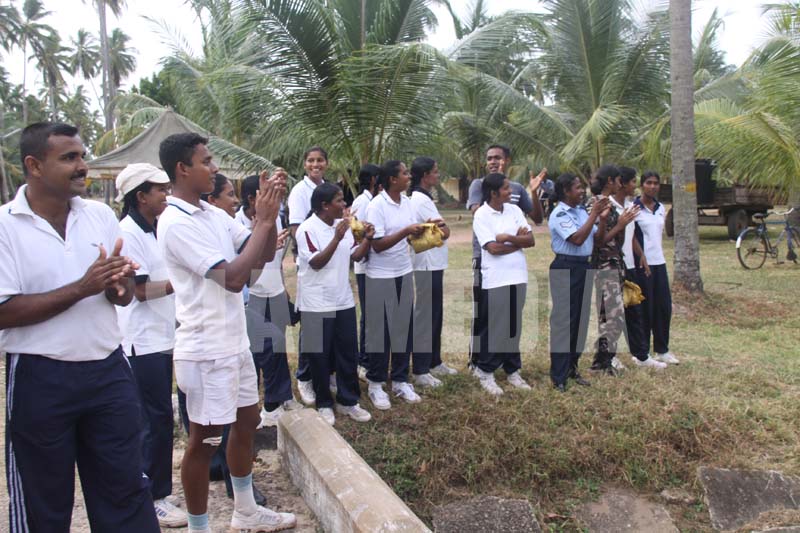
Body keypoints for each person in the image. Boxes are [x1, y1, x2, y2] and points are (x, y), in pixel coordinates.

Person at [1, 122, 159, 532]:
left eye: (82, 155)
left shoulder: (99, 215)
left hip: (107, 370)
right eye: (69, 157)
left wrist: (119, 284)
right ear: (34, 165)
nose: (82, 165)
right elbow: (4, 311)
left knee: (125, 490)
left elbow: (119, 297)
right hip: (41, 376)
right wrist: (82, 287)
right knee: (44, 501)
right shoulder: (5, 226)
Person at [157, 132, 295, 533]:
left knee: (248, 420)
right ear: (183, 169)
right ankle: (201, 528)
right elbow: (234, 278)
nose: (214, 168)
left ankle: (246, 511)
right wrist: (264, 221)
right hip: (204, 349)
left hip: (233, 342)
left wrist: (268, 212)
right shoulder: (175, 223)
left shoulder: (212, 215)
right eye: (206, 161)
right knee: (204, 440)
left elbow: (261, 257)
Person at [115, 163, 187, 527]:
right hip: (141, 342)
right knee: (152, 419)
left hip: (161, 337)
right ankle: (153, 495)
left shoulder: (152, 229)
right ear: (141, 196)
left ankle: (160, 489)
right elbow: (140, 292)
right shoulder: (128, 233)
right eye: (160, 189)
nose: (166, 194)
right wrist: (182, 280)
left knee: (160, 418)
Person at [296, 183, 374, 425]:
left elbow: (355, 256)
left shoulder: (343, 227)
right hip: (315, 303)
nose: (344, 205)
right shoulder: (307, 229)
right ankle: (323, 403)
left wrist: (367, 240)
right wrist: (337, 237)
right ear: (325, 205)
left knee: (347, 353)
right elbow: (317, 262)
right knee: (319, 356)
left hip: (342, 300)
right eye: (340, 201)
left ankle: (348, 401)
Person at [467, 144, 544, 368]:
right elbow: (482, 221)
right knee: (486, 314)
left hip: (513, 267)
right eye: (489, 158)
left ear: (506, 160)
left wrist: (533, 193)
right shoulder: (478, 185)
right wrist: (515, 242)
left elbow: (536, 224)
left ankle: (507, 364)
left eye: (497, 158)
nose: (493, 162)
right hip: (484, 259)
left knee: (511, 317)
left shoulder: (517, 190)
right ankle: (479, 362)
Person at [237, 175, 302, 428]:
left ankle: (280, 398)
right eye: (271, 193)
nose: (278, 199)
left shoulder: (275, 218)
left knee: (277, 349)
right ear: (253, 197)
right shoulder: (236, 223)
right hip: (251, 296)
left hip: (273, 292)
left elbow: (275, 262)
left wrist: (284, 290)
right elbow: (238, 265)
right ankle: (258, 408)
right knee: (257, 353)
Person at [364, 160, 425, 410]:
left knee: (403, 328)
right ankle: (376, 383)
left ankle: (400, 379)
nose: (409, 176)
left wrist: (428, 229)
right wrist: (405, 230)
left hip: (403, 272)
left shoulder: (407, 202)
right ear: (392, 179)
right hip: (380, 276)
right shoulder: (376, 206)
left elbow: (410, 237)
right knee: (380, 333)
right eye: (404, 173)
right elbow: (377, 245)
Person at [471, 173, 535, 395]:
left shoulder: (515, 210)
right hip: (496, 278)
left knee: (513, 326)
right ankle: (485, 371)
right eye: (507, 188)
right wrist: (517, 242)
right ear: (494, 192)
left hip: (518, 275)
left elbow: (531, 240)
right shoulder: (481, 215)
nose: (511, 191)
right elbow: (492, 249)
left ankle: (512, 369)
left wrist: (507, 237)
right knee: (496, 327)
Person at [548, 173, 609, 392]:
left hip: (584, 265)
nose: (582, 191)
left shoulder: (582, 212)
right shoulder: (560, 213)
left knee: (580, 321)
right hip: (566, 267)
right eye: (577, 187)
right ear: (566, 191)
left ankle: (572, 368)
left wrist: (601, 219)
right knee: (564, 322)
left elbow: (599, 240)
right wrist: (594, 214)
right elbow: (577, 239)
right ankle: (559, 374)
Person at [585, 165, 640, 375]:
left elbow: (618, 240)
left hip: (615, 263)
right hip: (603, 264)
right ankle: (601, 363)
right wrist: (620, 224)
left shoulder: (611, 204)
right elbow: (598, 241)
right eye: (618, 180)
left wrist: (623, 223)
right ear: (610, 181)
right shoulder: (596, 204)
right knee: (611, 315)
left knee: (614, 316)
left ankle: (605, 361)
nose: (620, 184)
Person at [287, 146, 330, 406]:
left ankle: (326, 372)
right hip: (311, 264)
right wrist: (312, 250)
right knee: (312, 322)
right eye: (311, 160)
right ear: (304, 164)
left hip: (332, 263)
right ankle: (305, 377)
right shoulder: (299, 192)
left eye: (320, 160)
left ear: (326, 163)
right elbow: (295, 228)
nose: (316, 164)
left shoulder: (328, 187)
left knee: (330, 320)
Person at [408, 156, 456, 387]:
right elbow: (444, 232)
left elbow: (440, 229)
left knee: (435, 314)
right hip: (427, 264)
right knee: (426, 316)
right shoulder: (420, 200)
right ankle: (420, 368)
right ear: (425, 175)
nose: (438, 175)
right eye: (436, 171)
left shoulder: (424, 198)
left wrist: (439, 228)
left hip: (434, 262)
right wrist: (441, 229)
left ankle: (434, 361)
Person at [614, 167, 667, 369]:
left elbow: (631, 234)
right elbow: (617, 235)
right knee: (622, 312)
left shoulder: (633, 205)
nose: (636, 186)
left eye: (655, 183)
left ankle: (647, 353)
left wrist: (643, 257)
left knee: (645, 310)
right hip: (622, 265)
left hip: (641, 264)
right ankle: (615, 356)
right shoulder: (622, 207)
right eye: (635, 182)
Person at [633, 171, 679, 365]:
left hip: (659, 263)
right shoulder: (634, 208)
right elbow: (631, 236)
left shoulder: (660, 208)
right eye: (649, 183)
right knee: (645, 309)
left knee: (663, 307)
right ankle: (641, 353)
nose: (652, 186)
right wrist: (641, 256)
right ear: (642, 185)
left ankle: (662, 349)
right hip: (642, 265)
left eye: (656, 183)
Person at [350, 163, 381, 380]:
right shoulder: (362, 202)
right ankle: (364, 361)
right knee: (369, 315)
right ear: (373, 180)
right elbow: (357, 234)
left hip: (373, 265)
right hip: (364, 266)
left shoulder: (371, 200)